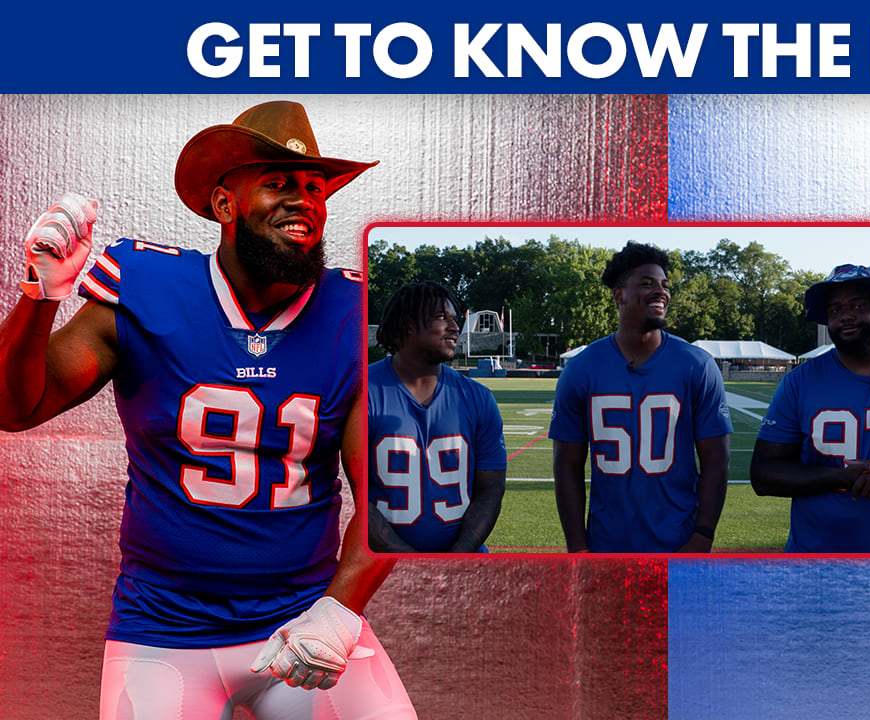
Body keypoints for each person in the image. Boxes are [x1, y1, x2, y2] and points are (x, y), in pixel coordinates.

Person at [0, 101, 416, 718]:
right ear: (224, 204)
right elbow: (17, 407)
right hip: (161, 627)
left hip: (302, 614)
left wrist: (338, 612)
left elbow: (387, 494)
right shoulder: (144, 286)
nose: (302, 199)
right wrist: (40, 294)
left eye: (313, 187)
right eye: (277, 183)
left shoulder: (350, 313)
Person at [550, 241, 732, 553]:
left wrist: (703, 534)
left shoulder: (697, 365)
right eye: (647, 283)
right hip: (606, 545)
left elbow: (717, 458)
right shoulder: (581, 370)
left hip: (679, 543)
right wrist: (577, 547)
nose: (660, 291)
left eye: (664, 284)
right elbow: (567, 465)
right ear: (618, 294)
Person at [750, 264, 870, 553]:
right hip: (814, 560)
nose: (845, 315)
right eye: (834, 309)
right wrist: (838, 477)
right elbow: (764, 475)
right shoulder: (799, 382)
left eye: (858, 305)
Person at [367, 281, 507, 553]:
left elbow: (490, 490)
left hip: (465, 567)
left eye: (455, 319)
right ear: (409, 324)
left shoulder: (478, 398)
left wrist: (456, 558)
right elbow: (355, 501)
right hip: (382, 569)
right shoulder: (362, 393)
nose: (455, 327)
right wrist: (411, 562)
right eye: (442, 317)